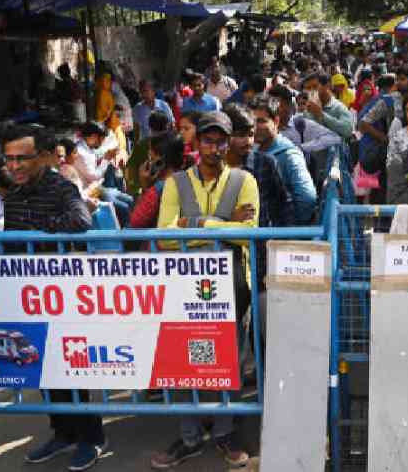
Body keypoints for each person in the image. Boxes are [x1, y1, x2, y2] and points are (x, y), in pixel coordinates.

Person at [152, 112, 255, 470]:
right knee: (185, 359)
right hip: (183, 285)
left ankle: (225, 431)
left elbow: (248, 232)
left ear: (229, 143)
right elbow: (164, 238)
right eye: (208, 141)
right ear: (196, 145)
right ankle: (190, 435)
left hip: (233, 285)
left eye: (220, 141)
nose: (214, 147)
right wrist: (222, 226)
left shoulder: (245, 180)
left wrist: (188, 225)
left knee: (230, 359)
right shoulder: (175, 183)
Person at [0, 127, 106, 471]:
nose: (14, 166)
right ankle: (62, 432)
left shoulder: (61, 187)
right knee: (43, 367)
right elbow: (13, 240)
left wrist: (37, 231)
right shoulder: (13, 195)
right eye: (9, 158)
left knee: (74, 366)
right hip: (28, 295)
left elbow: (80, 219)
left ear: (43, 157)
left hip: (64, 294)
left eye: (21, 158)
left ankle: (90, 438)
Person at [251, 95, 318, 225]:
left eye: (261, 121)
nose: (255, 127)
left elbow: (307, 198)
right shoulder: (255, 149)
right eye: (252, 121)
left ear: (276, 121)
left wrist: (289, 228)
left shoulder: (289, 154)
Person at [73, 122, 134, 220]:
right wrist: (106, 158)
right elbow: (94, 176)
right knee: (125, 208)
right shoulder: (81, 152)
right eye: (101, 139)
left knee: (131, 200)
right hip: (88, 194)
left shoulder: (87, 148)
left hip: (97, 188)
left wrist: (106, 158)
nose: (102, 142)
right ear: (93, 137)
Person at [128, 133, 184, 229]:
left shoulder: (158, 190)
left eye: (151, 153)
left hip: (162, 242)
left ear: (160, 159)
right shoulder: (189, 178)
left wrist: (145, 187)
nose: (149, 156)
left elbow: (136, 221)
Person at [268, 84, 342, 153]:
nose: (274, 109)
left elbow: (334, 137)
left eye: (278, 104)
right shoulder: (262, 126)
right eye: (271, 104)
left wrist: (302, 148)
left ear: (289, 106)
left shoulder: (300, 124)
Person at [300, 72, 354, 139]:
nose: (311, 91)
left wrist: (321, 115)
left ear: (327, 86)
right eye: (308, 88)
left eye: (315, 86)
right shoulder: (308, 111)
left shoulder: (338, 107)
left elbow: (347, 131)